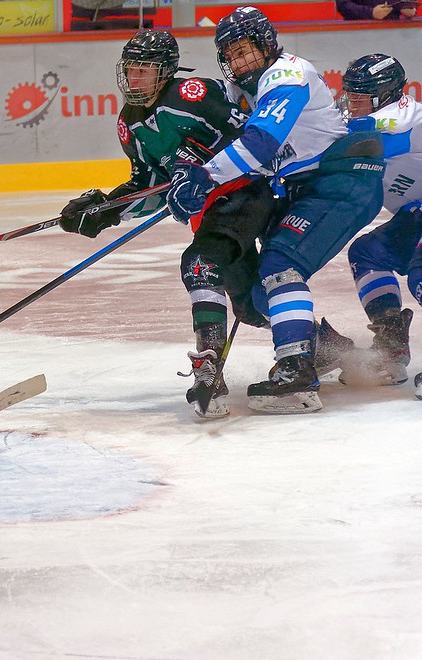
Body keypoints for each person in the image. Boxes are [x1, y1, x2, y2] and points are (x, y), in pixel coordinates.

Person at [166, 6, 387, 414]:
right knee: (257, 294)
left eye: (244, 51)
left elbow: (261, 143)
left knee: (280, 265)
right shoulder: (244, 91)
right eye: (230, 55)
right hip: (305, 187)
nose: (238, 62)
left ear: (266, 44)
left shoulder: (287, 74)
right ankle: (325, 350)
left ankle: (296, 372)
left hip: (339, 178)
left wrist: (207, 176)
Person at [58, 28, 274, 418]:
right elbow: (150, 186)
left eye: (144, 70)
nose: (134, 78)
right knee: (252, 307)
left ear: (166, 71)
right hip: (210, 213)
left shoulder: (193, 94)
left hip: (246, 193)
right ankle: (320, 346)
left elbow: (252, 136)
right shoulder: (129, 122)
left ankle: (209, 371)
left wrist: (202, 158)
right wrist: (107, 209)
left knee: (199, 264)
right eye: (131, 70)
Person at [338, 54, 422, 392]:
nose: (352, 104)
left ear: (385, 95)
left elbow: (359, 138)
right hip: (415, 213)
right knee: (368, 253)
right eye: (350, 95)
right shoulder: (378, 118)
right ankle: (391, 343)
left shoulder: (401, 118)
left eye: (360, 97)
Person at [336, 0, 417, 21]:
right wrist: (371, 12)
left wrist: (409, 8)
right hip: (359, 33)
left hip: (395, 32)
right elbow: (343, 6)